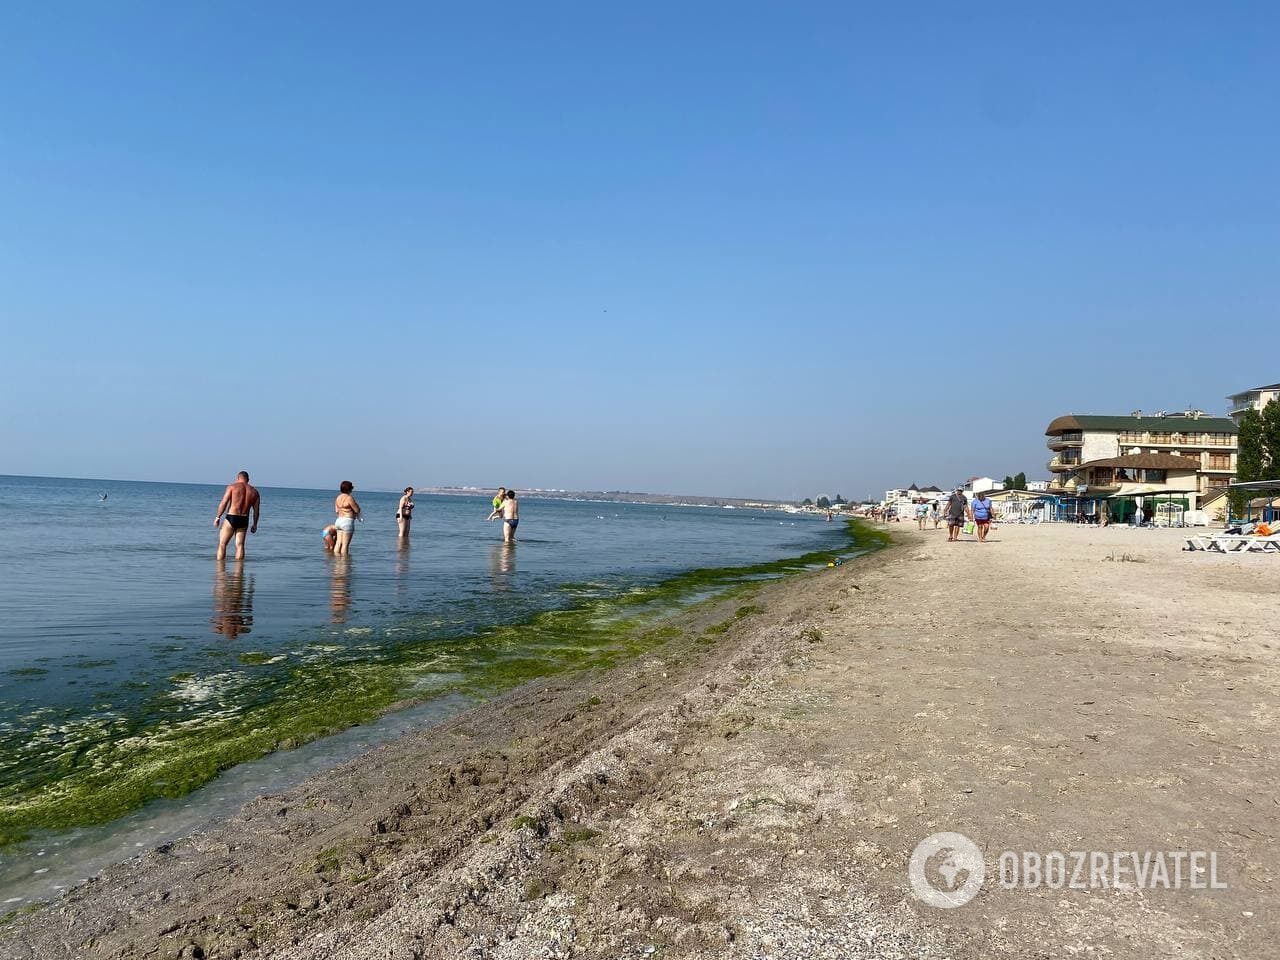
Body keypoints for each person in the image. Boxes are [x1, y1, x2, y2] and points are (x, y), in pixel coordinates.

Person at [214, 471, 261, 561]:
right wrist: (255, 524)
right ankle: (239, 571)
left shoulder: (232, 487)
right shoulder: (255, 492)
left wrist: (218, 517)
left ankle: (220, 569)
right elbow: (256, 511)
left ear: (237, 478)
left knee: (222, 544)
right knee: (240, 545)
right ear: (248, 479)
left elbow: (224, 502)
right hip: (244, 519)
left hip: (232, 517)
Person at [333, 481, 361, 556]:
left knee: (338, 543)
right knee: (345, 545)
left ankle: (336, 563)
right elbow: (357, 510)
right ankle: (344, 564)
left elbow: (336, 511)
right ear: (349, 489)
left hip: (338, 521)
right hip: (347, 522)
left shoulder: (338, 497)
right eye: (351, 488)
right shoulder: (349, 498)